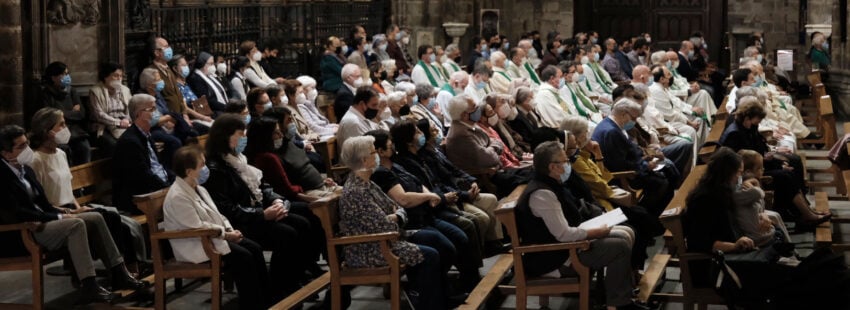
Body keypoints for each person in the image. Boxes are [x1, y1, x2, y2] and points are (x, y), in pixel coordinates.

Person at [0, 125, 147, 304]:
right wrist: (60, 217)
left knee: (95, 217)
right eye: (21, 147)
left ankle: (119, 272)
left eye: (27, 144)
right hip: (23, 232)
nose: (27, 150)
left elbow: (44, 204)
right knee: (75, 224)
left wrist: (68, 211)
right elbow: (17, 212)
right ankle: (89, 285)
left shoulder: (26, 170)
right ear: (6, 153)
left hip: (42, 222)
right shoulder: (3, 177)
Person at [203, 114, 321, 299]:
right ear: (225, 137)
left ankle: (295, 277)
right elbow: (226, 208)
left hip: (257, 212)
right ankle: (280, 287)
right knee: (287, 233)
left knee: (303, 222)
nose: (244, 138)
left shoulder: (239, 158)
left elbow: (262, 186)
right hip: (240, 222)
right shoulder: (215, 168)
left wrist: (276, 200)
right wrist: (262, 215)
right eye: (240, 134)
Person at [515, 141, 640, 310]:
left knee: (627, 231)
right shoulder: (542, 194)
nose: (568, 164)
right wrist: (595, 232)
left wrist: (599, 222)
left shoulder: (554, 184)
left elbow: (574, 213)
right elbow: (564, 235)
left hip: (565, 247)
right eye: (565, 161)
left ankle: (617, 294)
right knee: (619, 246)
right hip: (553, 257)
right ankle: (618, 304)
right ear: (553, 167)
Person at [336, 135, 450, 309]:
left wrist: (396, 216)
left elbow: (397, 209)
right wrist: (396, 217)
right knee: (429, 255)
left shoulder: (368, 183)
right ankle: (428, 303)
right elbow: (386, 225)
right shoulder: (356, 191)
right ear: (364, 159)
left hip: (386, 238)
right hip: (370, 248)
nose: (377, 156)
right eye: (374, 152)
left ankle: (436, 297)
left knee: (435, 239)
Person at [29, 107, 148, 271]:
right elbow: (40, 200)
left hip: (72, 207)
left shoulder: (61, 154)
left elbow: (69, 191)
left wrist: (78, 208)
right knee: (106, 218)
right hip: (56, 212)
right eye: (61, 125)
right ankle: (122, 269)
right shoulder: (36, 160)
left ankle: (133, 266)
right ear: (47, 131)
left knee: (118, 219)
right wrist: (71, 213)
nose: (66, 129)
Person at [164, 146, 272, 309]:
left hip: (214, 237)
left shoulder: (199, 188)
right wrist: (227, 235)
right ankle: (252, 305)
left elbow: (217, 214)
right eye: (202, 165)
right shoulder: (178, 196)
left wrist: (228, 229)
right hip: (198, 244)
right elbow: (198, 227)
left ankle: (267, 300)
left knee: (255, 249)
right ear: (189, 171)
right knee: (244, 257)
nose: (206, 169)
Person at [719, 96, 829, 227]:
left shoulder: (748, 127)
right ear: (747, 117)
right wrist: (777, 165)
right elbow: (745, 162)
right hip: (748, 173)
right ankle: (804, 215)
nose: (758, 124)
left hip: (759, 163)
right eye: (757, 121)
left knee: (794, 160)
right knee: (786, 176)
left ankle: (803, 209)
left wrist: (778, 162)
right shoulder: (735, 134)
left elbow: (761, 148)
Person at [416, 119, 506, 255]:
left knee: (492, 199)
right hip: (452, 196)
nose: (438, 133)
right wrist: (464, 194)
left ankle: (494, 242)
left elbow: (455, 169)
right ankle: (480, 250)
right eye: (433, 130)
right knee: (481, 218)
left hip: (460, 190)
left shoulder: (436, 150)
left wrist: (472, 181)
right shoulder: (424, 158)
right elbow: (440, 183)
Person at [592, 98, 678, 216]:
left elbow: (629, 151)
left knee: (668, 168)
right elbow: (618, 164)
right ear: (623, 114)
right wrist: (645, 165)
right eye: (633, 118)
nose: (634, 121)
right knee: (662, 180)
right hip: (625, 176)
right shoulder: (611, 131)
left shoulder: (611, 125)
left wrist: (648, 155)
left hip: (634, 165)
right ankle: (660, 218)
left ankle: (671, 211)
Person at [245, 116, 338, 203]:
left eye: (280, 131)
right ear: (264, 137)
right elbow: (287, 189)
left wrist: (322, 180)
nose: (281, 135)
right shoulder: (268, 158)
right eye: (276, 133)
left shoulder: (284, 145)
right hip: (306, 192)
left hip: (321, 185)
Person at [112, 94, 175, 214]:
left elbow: (159, 165)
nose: (157, 113)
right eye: (152, 109)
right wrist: (167, 187)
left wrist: (175, 181)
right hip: (139, 198)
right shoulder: (129, 142)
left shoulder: (146, 135)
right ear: (139, 114)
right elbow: (143, 176)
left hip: (155, 189)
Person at [736, 149, 792, 245]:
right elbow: (760, 196)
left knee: (776, 215)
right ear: (748, 172)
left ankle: (790, 247)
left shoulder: (746, 182)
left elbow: (760, 206)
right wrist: (757, 184)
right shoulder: (744, 187)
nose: (763, 170)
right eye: (760, 168)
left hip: (755, 219)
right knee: (776, 224)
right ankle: (788, 248)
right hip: (754, 234)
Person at [39, 61, 90, 165]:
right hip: (57, 131)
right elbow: (50, 117)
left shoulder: (72, 91)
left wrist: (61, 112)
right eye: (63, 74)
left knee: (84, 148)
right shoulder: (46, 94)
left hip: (75, 132)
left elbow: (81, 114)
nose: (67, 77)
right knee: (63, 151)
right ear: (53, 77)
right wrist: (71, 112)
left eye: (67, 73)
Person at [89, 62, 131, 156]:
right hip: (103, 126)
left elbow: (130, 108)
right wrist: (118, 122)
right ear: (105, 76)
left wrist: (126, 120)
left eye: (121, 76)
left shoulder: (125, 90)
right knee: (114, 145)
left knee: (135, 140)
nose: (119, 79)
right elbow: (99, 114)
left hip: (124, 124)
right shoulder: (95, 91)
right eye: (115, 76)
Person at [168, 55, 213, 130]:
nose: (187, 67)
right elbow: (185, 107)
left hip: (201, 114)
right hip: (192, 118)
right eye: (183, 65)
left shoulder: (186, 83)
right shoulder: (176, 86)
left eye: (187, 65)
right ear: (175, 68)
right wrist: (202, 117)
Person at [148, 36, 185, 115]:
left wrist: (184, 114)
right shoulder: (151, 71)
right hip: (168, 117)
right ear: (157, 53)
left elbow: (177, 94)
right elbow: (156, 98)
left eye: (168, 46)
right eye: (166, 47)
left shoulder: (168, 69)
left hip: (179, 115)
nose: (169, 49)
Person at [186, 52, 228, 117]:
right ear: (202, 64)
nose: (213, 66)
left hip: (220, 108)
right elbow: (207, 99)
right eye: (210, 64)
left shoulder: (210, 76)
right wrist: (225, 107)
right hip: (212, 111)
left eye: (213, 64)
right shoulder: (196, 78)